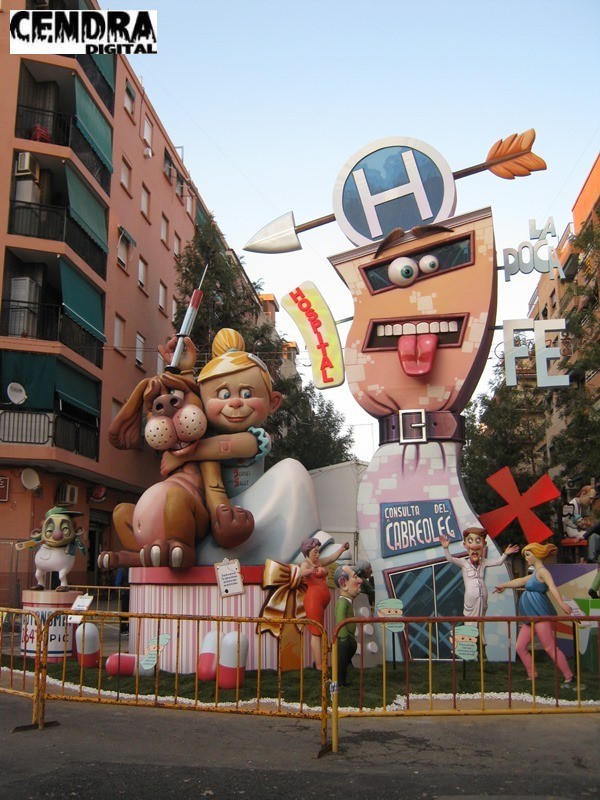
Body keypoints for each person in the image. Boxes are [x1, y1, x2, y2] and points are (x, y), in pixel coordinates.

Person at [494, 542, 579, 688]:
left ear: (536, 554)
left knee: (549, 647)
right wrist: (504, 585)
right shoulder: (535, 573)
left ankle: (569, 676)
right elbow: (520, 581)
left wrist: (561, 603)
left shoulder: (543, 572)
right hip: (531, 616)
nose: (526, 558)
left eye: (528, 555)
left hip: (540, 613)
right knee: (520, 646)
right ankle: (532, 674)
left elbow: (552, 587)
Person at [439, 528, 519, 617]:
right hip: (471, 600)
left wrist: (505, 554)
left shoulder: (484, 562)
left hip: (483, 597)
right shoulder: (464, 562)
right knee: (471, 621)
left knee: (481, 620)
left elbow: (498, 562)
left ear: (484, 545)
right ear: (465, 545)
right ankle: (465, 626)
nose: (474, 547)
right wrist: (445, 548)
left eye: (478, 541)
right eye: (470, 541)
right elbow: (450, 559)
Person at [300, 536, 350, 670]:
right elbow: (301, 573)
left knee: (321, 631)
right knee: (316, 631)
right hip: (313, 600)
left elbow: (332, 558)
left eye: (318, 551)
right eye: (315, 551)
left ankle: (321, 661)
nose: (317, 554)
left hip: (321, 601)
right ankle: (319, 664)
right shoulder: (306, 564)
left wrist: (342, 549)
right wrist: (310, 570)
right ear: (307, 551)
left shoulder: (319, 562)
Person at [333, 565, 363, 686]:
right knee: (341, 663)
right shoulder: (342, 602)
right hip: (344, 639)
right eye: (355, 577)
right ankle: (340, 682)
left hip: (349, 638)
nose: (360, 581)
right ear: (343, 583)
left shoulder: (347, 602)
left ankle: (342, 680)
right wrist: (344, 638)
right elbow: (340, 619)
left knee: (344, 662)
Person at [562, 485, 599, 562]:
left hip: (579, 529)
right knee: (591, 535)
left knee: (596, 535)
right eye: (590, 498)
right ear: (583, 494)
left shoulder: (582, 506)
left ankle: (593, 556)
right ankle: (590, 559)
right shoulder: (570, 504)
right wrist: (577, 522)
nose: (591, 502)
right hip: (572, 530)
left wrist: (585, 522)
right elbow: (565, 519)